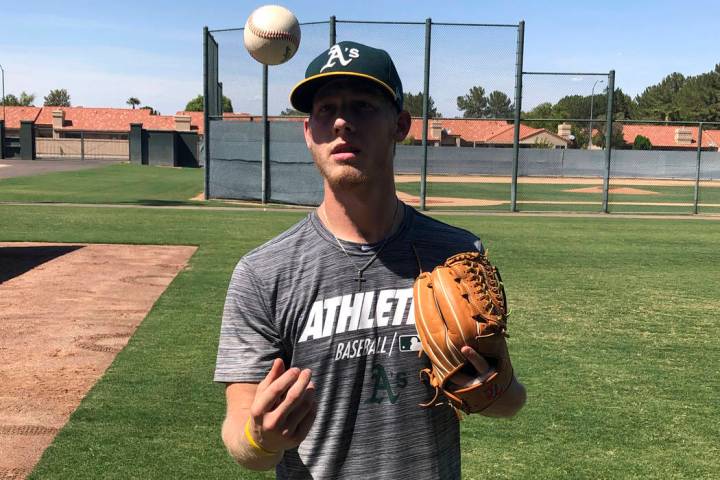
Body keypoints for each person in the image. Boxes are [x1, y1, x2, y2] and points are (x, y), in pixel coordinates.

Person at [214, 40, 526, 479]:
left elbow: (511, 403)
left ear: (400, 125)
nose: (342, 122)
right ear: (309, 133)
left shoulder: (457, 256)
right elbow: (239, 432)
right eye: (326, 110)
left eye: (362, 106)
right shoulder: (264, 273)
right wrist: (260, 438)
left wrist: (492, 386)